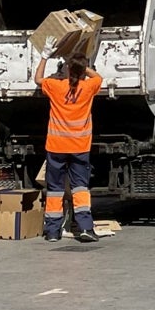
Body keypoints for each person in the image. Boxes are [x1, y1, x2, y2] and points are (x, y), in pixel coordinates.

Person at [34, 48, 103, 242]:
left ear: (66, 70)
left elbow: (37, 79)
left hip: (56, 146)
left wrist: (44, 56)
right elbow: (98, 77)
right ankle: (85, 228)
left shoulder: (56, 86)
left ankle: (53, 231)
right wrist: (79, 66)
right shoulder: (88, 87)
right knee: (80, 187)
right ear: (82, 71)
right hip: (80, 147)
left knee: (55, 189)